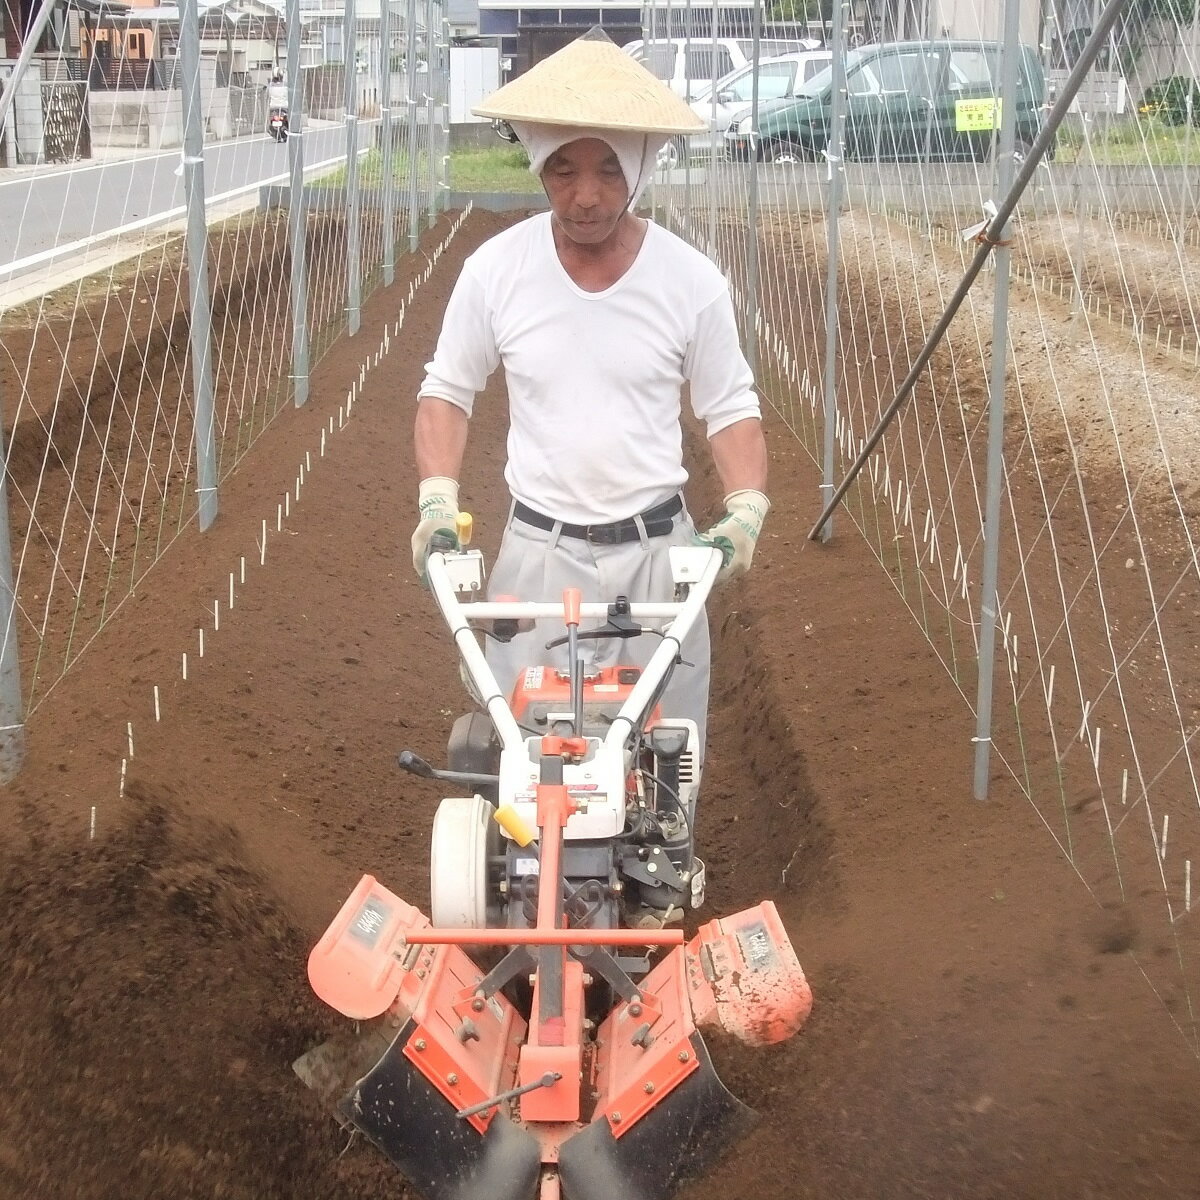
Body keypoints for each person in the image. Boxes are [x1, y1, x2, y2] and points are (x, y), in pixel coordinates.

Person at [410, 28, 770, 757]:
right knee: (527, 763)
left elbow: (729, 410)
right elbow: (447, 392)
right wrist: (437, 502)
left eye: (608, 170)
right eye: (563, 169)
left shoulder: (689, 282)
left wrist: (745, 510)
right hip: (536, 557)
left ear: (639, 166)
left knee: (662, 764)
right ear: (539, 166)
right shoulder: (496, 272)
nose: (585, 196)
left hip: (656, 556)